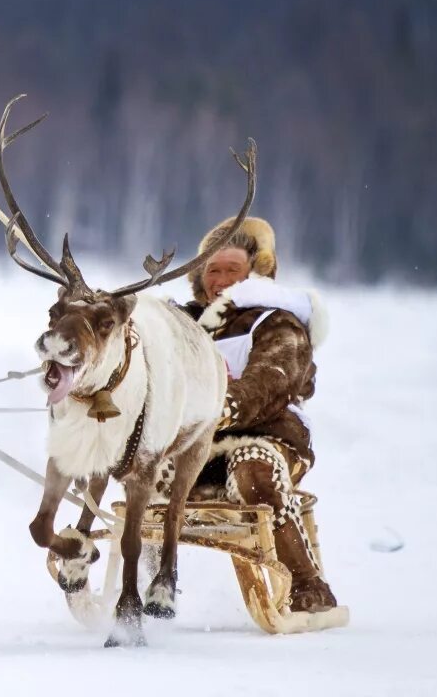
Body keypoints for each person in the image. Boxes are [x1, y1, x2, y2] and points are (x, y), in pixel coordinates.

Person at [180, 216, 338, 614]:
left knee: (254, 473)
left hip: (270, 437)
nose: (220, 280)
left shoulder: (277, 321)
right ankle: (150, 587)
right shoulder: (188, 327)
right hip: (200, 443)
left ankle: (307, 584)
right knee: (146, 474)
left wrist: (225, 406)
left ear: (255, 272)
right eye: (212, 271)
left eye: (232, 269)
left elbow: (271, 378)